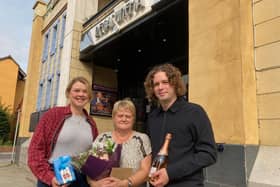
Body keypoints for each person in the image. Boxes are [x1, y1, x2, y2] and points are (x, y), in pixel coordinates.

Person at [144, 63, 217, 187]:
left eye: (165, 82)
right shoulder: (152, 117)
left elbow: (208, 154)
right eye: (156, 84)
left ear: (175, 84)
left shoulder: (194, 112)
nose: (160, 87)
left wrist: (170, 173)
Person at [28, 76, 99, 187]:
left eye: (85, 91)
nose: (81, 94)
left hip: (82, 179)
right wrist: (50, 177)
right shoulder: (53, 115)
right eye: (76, 90)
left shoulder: (91, 123)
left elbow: (94, 154)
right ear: (68, 93)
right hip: (55, 175)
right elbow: (35, 151)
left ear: (89, 96)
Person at [87, 98, 152, 187]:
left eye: (128, 116)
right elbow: (91, 169)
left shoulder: (141, 139)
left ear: (133, 119)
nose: (124, 119)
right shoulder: (103, 138)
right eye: (120, 116)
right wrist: (95, 184)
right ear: (113, 118)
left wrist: (124, 184)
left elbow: (145, 170)